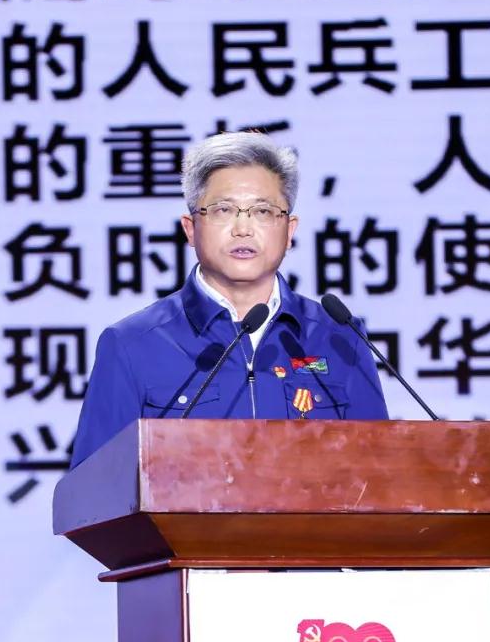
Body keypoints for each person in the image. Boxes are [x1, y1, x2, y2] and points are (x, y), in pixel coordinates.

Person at [70, 131, 388, 468]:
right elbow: (94, 489)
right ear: (190, 228)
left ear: (289, 231)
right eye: (223, 210)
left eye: (263, 211)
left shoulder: (339, 337)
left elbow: (383, 473)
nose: (243, 229)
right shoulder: (133, 345)